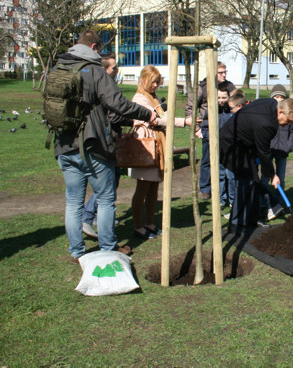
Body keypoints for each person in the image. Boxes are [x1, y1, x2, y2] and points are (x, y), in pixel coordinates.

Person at [54, 31, 156, 262]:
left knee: (73, 202)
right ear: (93, 46)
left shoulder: (58, 68)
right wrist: (146, 114)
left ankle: (77, 251)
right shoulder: (95, 71)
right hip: (92, 147)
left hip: (64, 146)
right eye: (98, 50)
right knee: (106, 198)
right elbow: (118, 104)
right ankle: (109, 247)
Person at [129, 66, 194, 239]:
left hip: (158, 146)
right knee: (142, 188)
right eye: (153, 81)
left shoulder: (154, 97)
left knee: (154, 188)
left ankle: (149, 222)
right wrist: (183, 121)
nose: (155, 85)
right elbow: (157, 119)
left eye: (158, 81)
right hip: (146, 148)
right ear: (143, 80)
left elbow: (162, 116)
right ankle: (138, 225)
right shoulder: (139, 99)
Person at [220, 97, 293, 232]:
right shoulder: (267, 124)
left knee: (253, 180)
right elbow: (264, 153)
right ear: (280, 112)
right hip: (231, 144)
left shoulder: (272, 103)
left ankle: (251, 219)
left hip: (244, 143)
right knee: (246, 181)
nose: (290, 124)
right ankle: (236, 224)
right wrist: (273, 175)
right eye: (289, 120)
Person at [81, 53, 122, 239]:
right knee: (106, 185)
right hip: (105, 142)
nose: (117, 70)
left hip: (111, 142)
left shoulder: (110, 85)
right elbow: (113, 115)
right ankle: (88, 216)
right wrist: (136, 116)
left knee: (112, 182)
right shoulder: (103, 87)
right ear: (105, 69)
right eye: (114, 67)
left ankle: (97, 216)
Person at [185, 62, 235, 200]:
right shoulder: (203, 88)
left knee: (226, 160)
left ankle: (225, 190)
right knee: (207, 160)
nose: (224, 75)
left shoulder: (230, 86)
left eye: (225, 72)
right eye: (220, 72)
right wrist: (196, 129)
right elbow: (190, 108)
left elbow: (238, 103)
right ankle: (206, 188)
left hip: (227, 130)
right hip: (208, 129)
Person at [262, 84, 293, 220]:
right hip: (269, 150)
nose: (278, 99)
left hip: (282, 150)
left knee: (280, 178)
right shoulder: (270, 115)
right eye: (276, 97)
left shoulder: (287, 115)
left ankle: (279, 205)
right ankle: (266, 204)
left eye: (281, 97)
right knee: (265, 178)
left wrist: (289, 145)